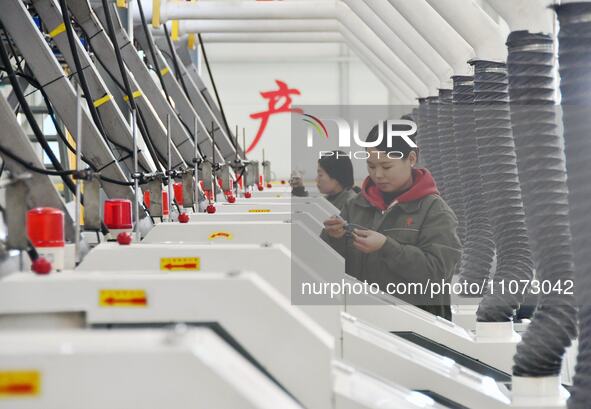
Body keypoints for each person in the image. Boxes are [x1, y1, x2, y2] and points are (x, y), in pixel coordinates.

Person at [321, 121, 461, 319]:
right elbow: (328, 267)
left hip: (417, 331)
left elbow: (437, 274)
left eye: (386, 166)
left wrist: (386, 247)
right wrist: (333, 237)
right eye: (371, 165)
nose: (378, 174)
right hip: (362, 324)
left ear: (411, 159)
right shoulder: (356, 206)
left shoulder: (434, 212)